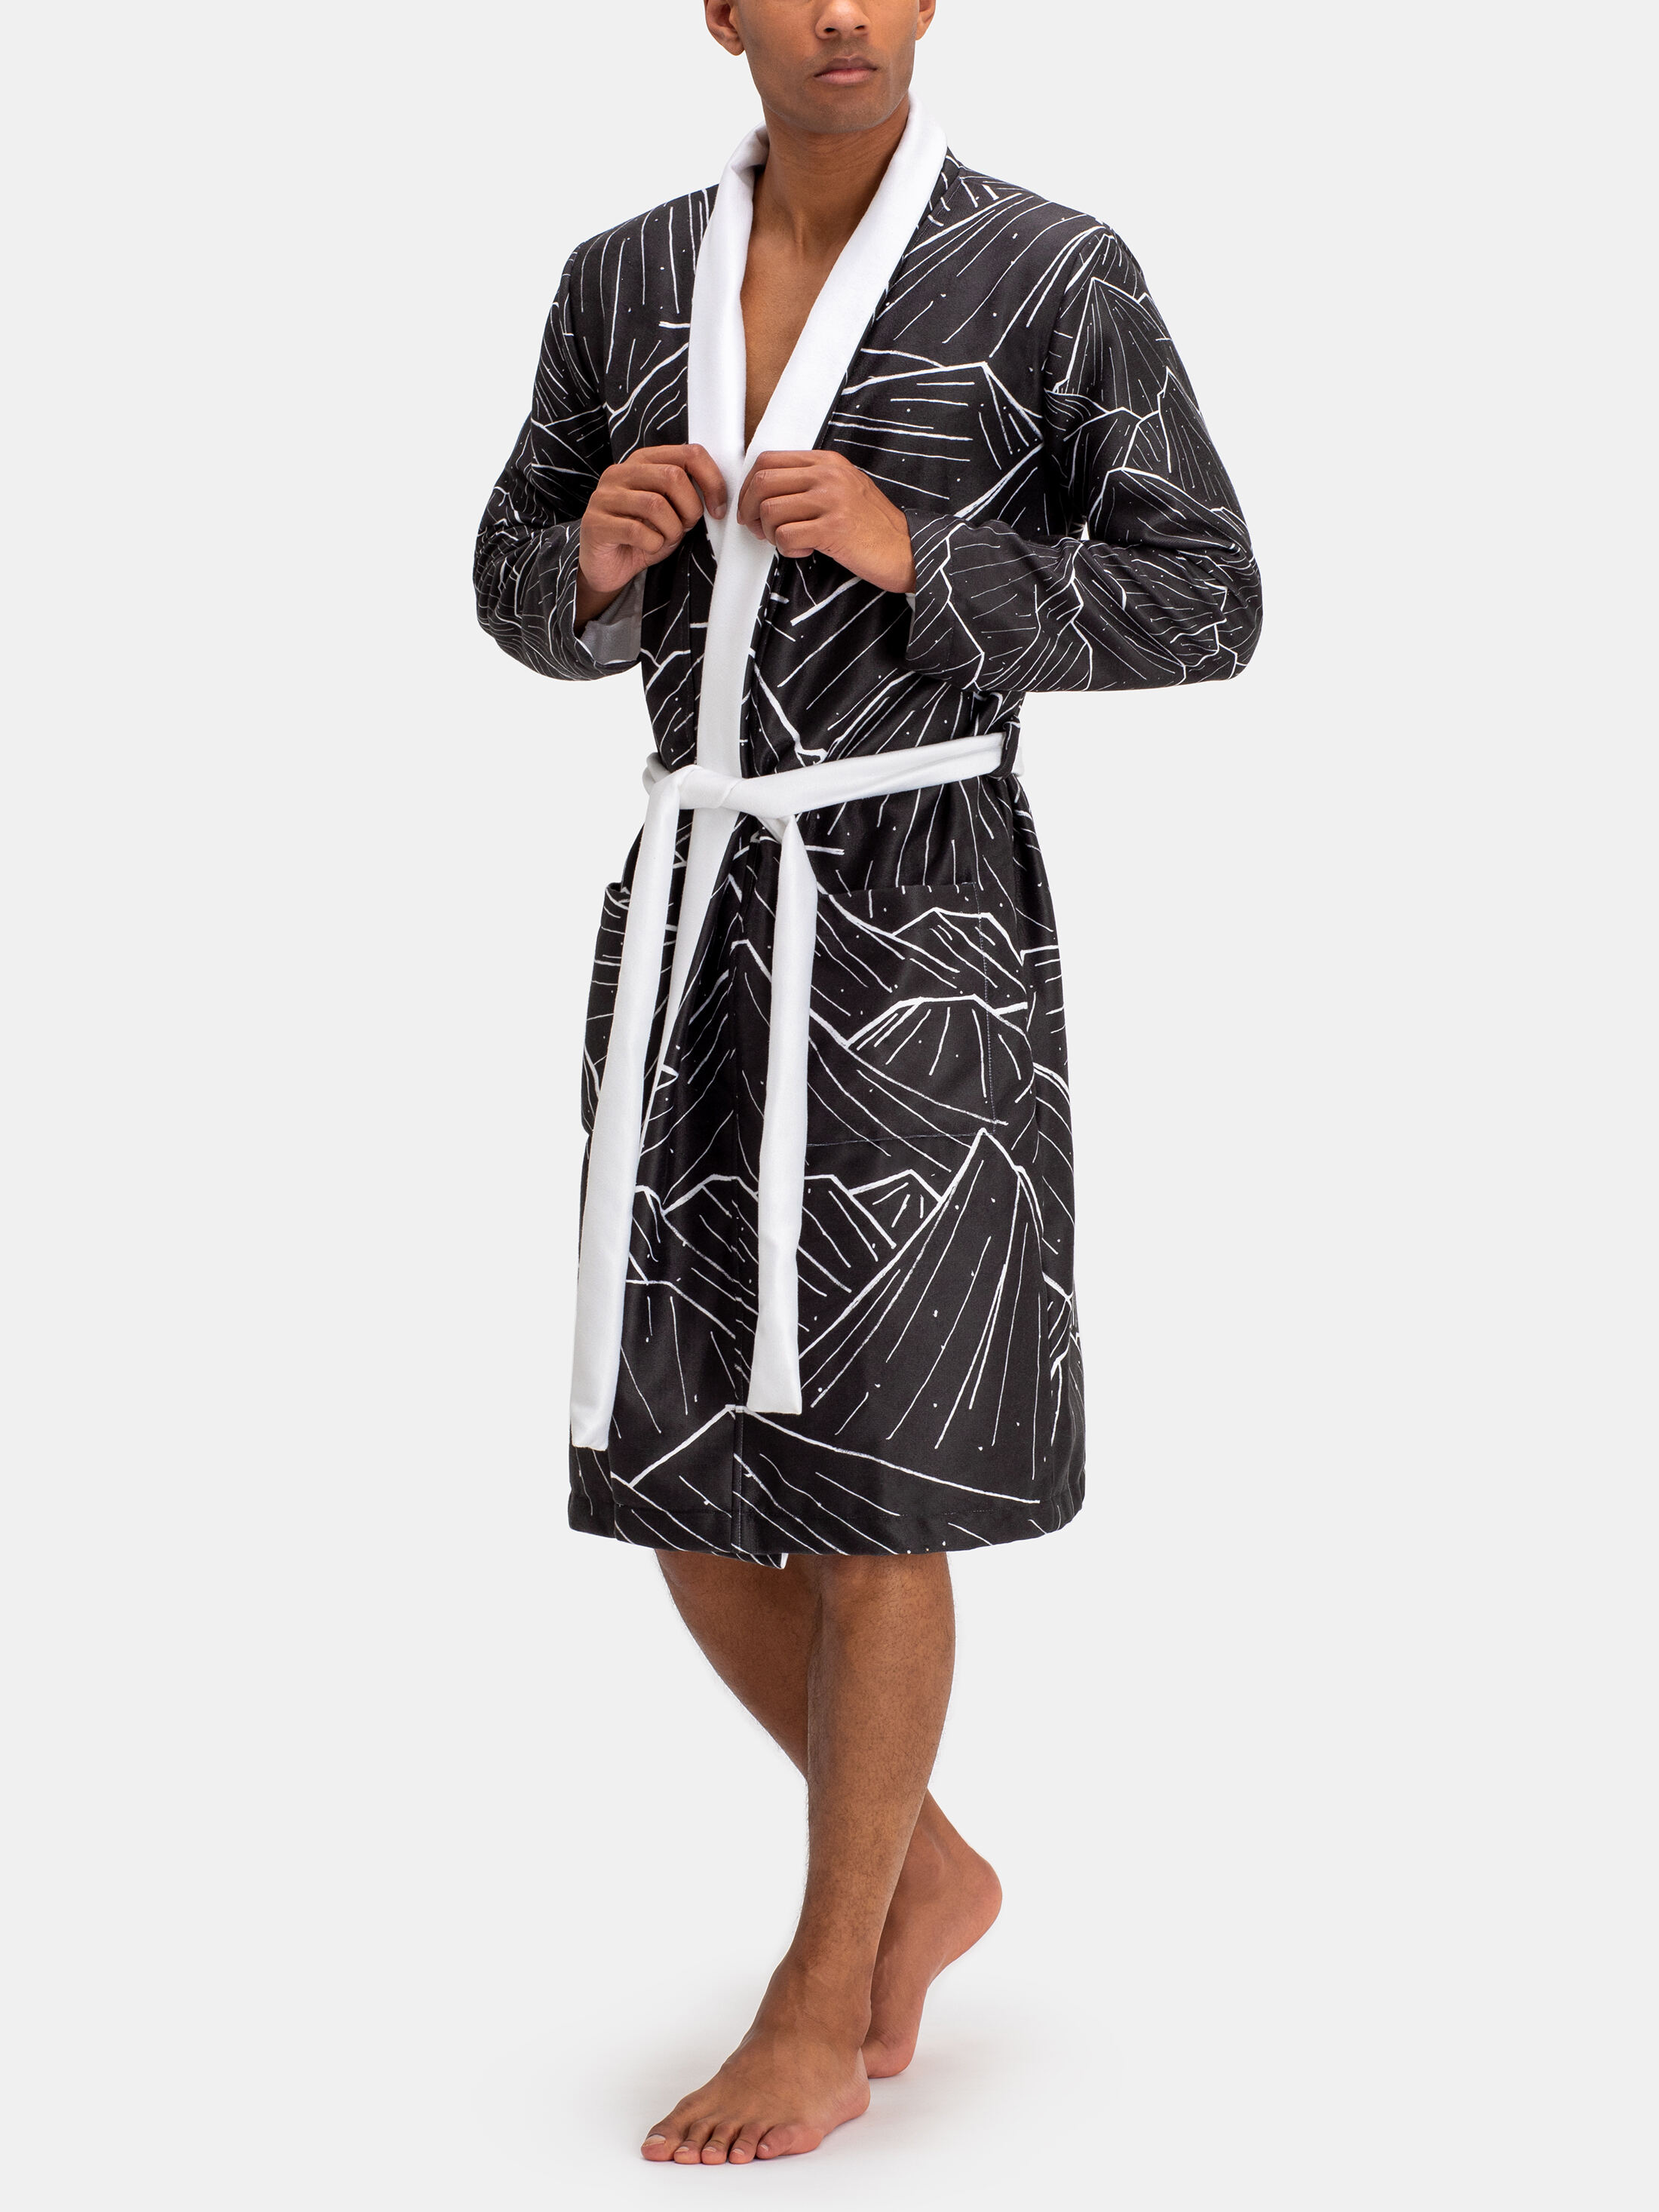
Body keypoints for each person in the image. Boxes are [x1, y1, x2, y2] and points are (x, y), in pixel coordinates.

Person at [474, 0, 1260, 2166]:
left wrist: (932, 555)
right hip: (695, 906)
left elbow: (1211, 599)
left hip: (921, 911)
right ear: (719, 12)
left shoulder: (1050, 271)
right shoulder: (621, 281)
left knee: (879, 1478)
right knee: (673, 1464)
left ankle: (825, 1997)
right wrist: (589, 561)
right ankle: (925, 1876)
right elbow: (513, 586)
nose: (844, 13)